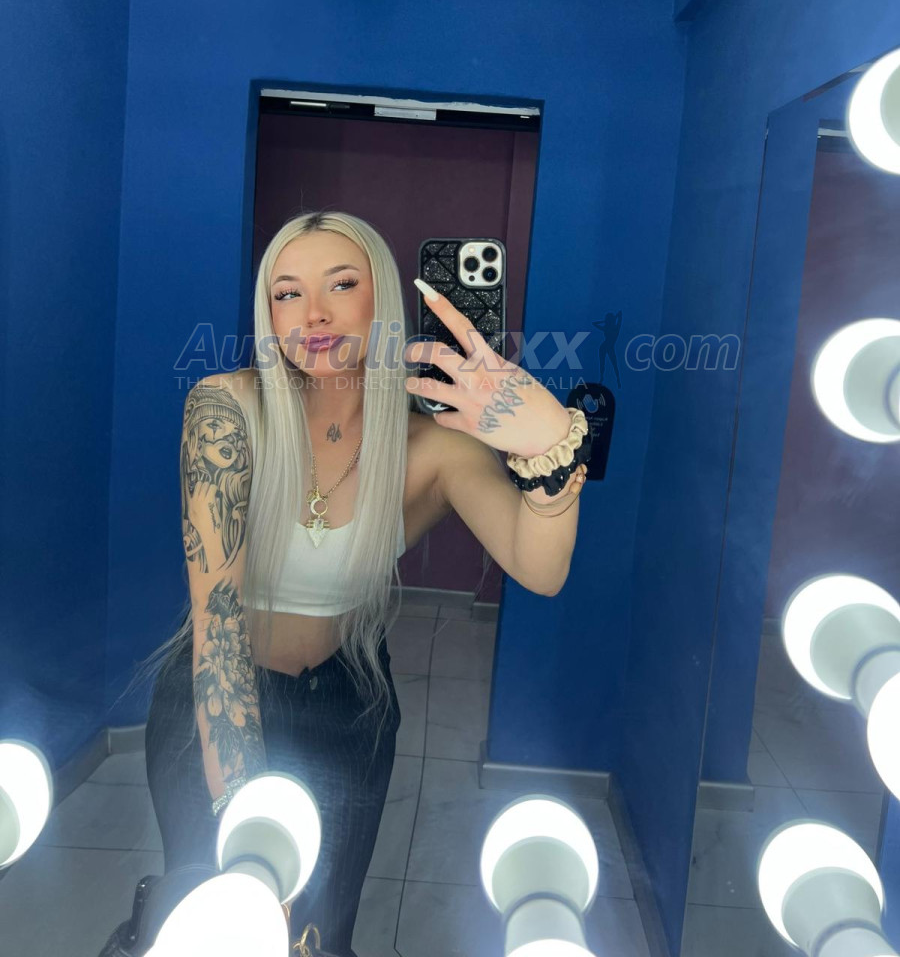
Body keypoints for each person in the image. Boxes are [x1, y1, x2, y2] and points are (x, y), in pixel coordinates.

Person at [103, 209, 589, 956]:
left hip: (347, 704)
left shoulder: (434, 448)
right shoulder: (225, 409)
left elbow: (541, 570)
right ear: (269, 313)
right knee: (215, 920)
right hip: (218, 695)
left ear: (381, 300)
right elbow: (218, 624)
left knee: (320, 937)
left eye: (340, 284)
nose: (314, 314)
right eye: (287, 293)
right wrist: (250, 833)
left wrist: (551, 449)